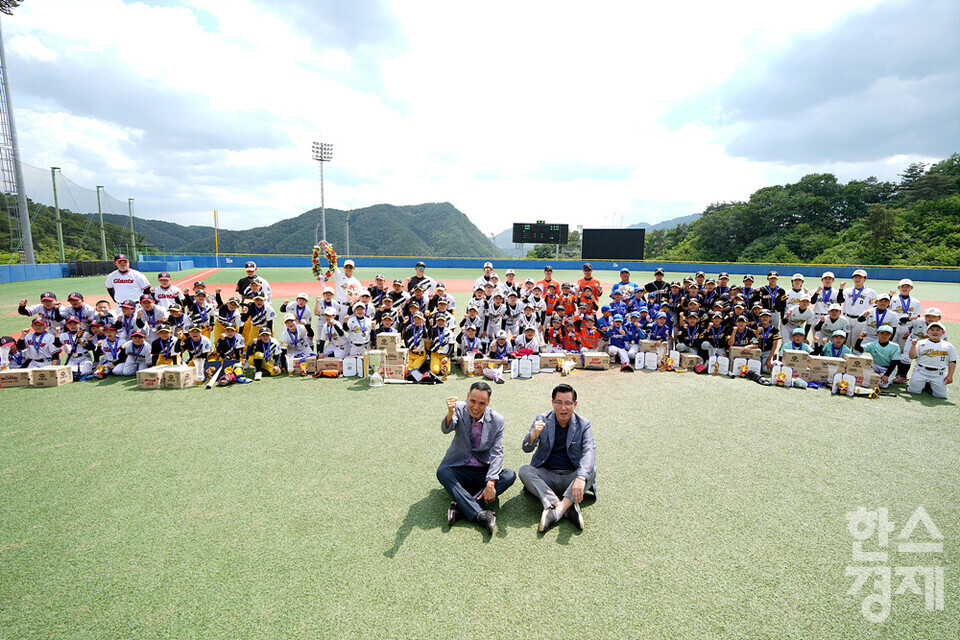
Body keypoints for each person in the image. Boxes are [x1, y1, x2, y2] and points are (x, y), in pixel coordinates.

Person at [437, 382, 516, 534]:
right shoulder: (458, 408)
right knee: (442, 471)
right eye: (472, 401)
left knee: (509, 475)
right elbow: (447, 428)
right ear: (467, 397)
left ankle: (460, 509)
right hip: (460, 469)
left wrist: (491, 482)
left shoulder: (498, 420)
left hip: (483, 473)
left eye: (482, 403)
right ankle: (480, 514)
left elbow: (497, 452)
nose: (476, 407)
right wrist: (449, 413)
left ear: (488, 403)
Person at [519, 384, 596, 532]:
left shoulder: (584, 424)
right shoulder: (542, 419)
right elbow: (526, 448)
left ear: (575, 404)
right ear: (553, 402)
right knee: (524, 471)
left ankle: (556, 510)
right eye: (558, 402)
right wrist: (533, 435)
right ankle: (566, 507)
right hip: (546, 476)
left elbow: (589, 451)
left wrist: (580, 477)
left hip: (571, 479)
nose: (563, 408)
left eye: (568, 403)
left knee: (591, 471)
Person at [907, 322, 956, 399]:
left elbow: (952, 361)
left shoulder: (948, 345)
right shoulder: (920, 343)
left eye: (938, 330)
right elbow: (912, 356)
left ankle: (929, 385)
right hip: (921, 370)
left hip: (938, 373)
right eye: (932, 330)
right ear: (927, 332)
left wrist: (950, 375)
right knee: (913, 391)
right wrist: (913, 345)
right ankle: (926, 384)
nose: (935, 332)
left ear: (943, 332)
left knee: (941, 396)